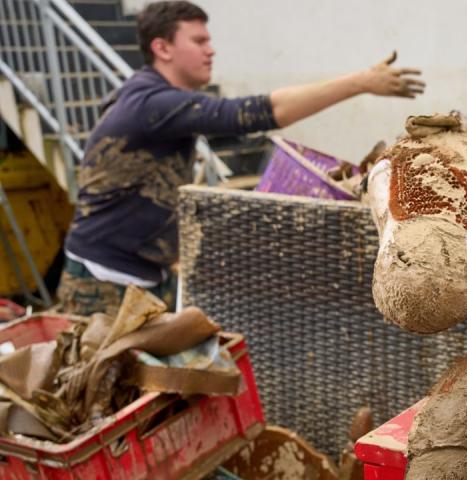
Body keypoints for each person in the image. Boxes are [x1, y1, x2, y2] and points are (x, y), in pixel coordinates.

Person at [57, 0, 424, 316]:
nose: (211, 50)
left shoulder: (152, 98)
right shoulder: (152, 103)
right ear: (162, 48)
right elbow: (252, 113)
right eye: (199, 41)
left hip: (145, 270)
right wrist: (361, 82)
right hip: (102, 279)